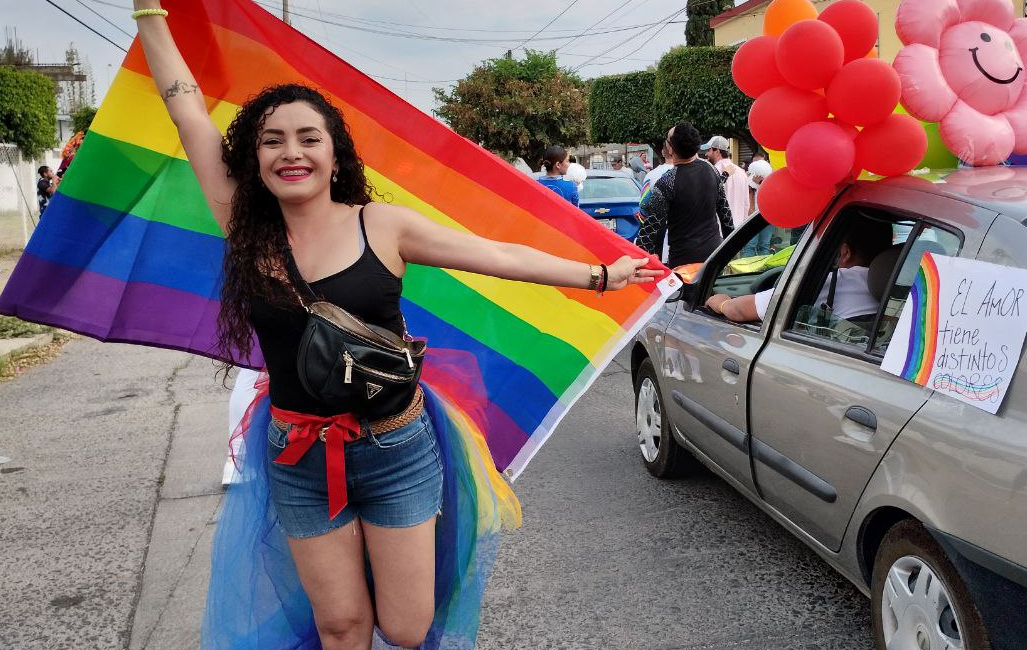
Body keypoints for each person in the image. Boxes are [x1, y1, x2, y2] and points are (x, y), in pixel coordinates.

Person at [131, 3, 660, 649]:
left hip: (396, 451)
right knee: (342, 625)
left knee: (407, 629)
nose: (290, 151)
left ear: (334, 154)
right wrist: (150, 14)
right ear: (251, 155)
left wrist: (602, 276)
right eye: (272, 139)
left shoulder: (381, 226)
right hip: (299, 454)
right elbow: (186, 109)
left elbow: (498, 256)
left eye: (308, 138)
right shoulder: (245, 222)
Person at [706, 217, 892, 323]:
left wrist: (722, 303)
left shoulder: (831, 281)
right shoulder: (901, 290)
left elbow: (740, 311)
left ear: (845, 252)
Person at [635, 122, 733, 268]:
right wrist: (731, 250)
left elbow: (650, 229)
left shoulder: (666, 182)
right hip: (713, 256)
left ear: (670, 148)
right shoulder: (711, 170)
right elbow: (725, 215)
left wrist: (641, 264)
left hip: (683, 263)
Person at [702, 136, 750, 229]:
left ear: (717, 151)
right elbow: (746, 203)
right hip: (738, 228)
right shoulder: (741, 172)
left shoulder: (712, 171)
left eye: (708, 150)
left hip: (718, 230)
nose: (706, 154)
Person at [744, 159, 775, 256]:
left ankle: (763, 269)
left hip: (767, 217)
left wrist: (762, 183)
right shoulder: (747, 183)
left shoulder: (769, 183)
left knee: (764, 245)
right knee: (750, 245)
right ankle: (749, 269)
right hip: (751, 218)